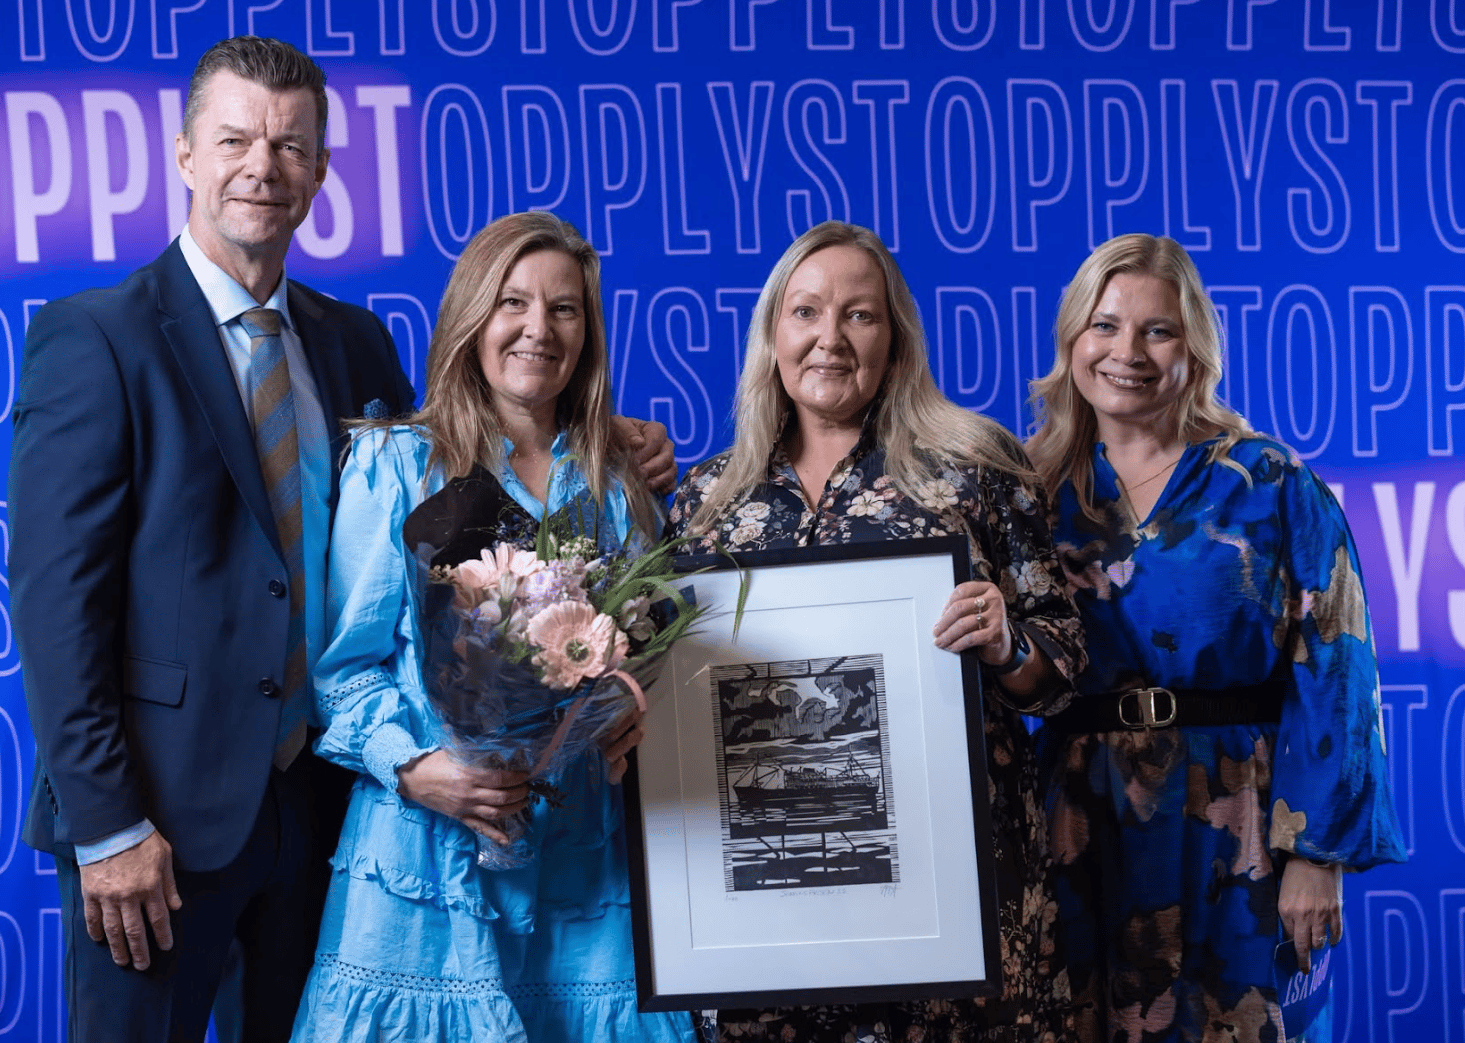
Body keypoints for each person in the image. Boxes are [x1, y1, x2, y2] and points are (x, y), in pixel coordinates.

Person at [8, 37, 675, 1043]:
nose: (262, 167)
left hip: (322, 813)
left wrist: (603, 435)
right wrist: (106, 824)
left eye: (289, 146)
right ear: (184, 154)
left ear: (320, 169)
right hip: (160, 820)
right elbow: (56, 601)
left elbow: (459, 489)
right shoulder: (96, 336)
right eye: (234, 140)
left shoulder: (353, 342)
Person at [667, 220, 1086, 1043]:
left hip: (953, 885)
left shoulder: (977, 468)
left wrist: (1007, 643)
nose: (829, 337)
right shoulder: (706, 501)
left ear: (894, 339)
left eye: (858, 314)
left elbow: (1063, 665)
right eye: (805, 312)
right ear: (771, 335)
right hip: (770, 902)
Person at [288, 211, 698, 1042]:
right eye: (514, 302)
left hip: (581, 854)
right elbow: (342, 670)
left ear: (587, 332)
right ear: (472, 315)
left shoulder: (618, 485)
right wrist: (415, 768)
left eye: (564, 308)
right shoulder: (398, 462)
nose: (538, 329)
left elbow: (637, 656)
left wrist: (625, 718)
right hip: (425, 854)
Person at [1027, 233, 1407, 1043]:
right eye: (1104, 325)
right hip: (1076, 819)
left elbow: (1337, 665)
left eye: (1156, 330)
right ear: (1071, 340)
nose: (1127, 352)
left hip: (1238, 821)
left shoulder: (1267, 481)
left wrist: (1316, 853)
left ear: (1194, 347)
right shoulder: (1032, 490)